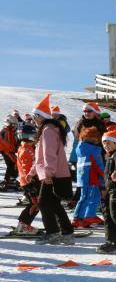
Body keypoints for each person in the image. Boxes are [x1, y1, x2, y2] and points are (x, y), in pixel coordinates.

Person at [29, 94, 74, 245]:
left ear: (42, 116)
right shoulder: (48, 129)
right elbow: (40, 157)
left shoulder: (48, 130)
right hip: (56, 173)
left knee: (43, 202)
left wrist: (48, 172)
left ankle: (53, 232)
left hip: (53, 173)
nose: (34, 118)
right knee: (54, 204)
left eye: (36, 115)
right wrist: (32, 173)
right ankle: (67, 233)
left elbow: (49, 153)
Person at [71, 101, 106, 227]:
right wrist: (105, 173)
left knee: (89, 194)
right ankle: (79, 217)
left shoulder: (100, 125)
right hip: (91, 172)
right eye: (84, 111)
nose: (86, 114)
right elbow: (97, 163)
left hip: (84, 170)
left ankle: (87, 215)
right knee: (89, 195)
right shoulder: (81, 125)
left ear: (96, 112)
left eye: (89, 111)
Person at [13, 124, 39, 234]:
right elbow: (26, 168)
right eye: (34, 136)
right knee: (35, 203)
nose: (36, 138)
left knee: (35, 203)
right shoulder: (26, 150)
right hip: (29, 182)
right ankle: (23, 225)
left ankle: (22, 225)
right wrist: (31, 181)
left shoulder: (26, 148)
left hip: (29, 181)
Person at [0, 115, 19, 190]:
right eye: (14, 125)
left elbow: (11, 141)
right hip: (6, 151)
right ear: (10, 124)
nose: (15, 128)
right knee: (13, 163)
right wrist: (13, 148)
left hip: (7, 150)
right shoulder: (6, 131)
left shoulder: (8, 131)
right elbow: (6, 142)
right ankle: (9, 179)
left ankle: (10, 178)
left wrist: (16, 146)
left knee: (13, 163)